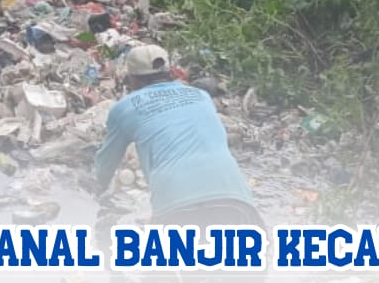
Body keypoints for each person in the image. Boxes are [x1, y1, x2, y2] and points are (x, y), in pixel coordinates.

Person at [94, 44, 263, 229]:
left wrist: (97, 189)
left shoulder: (124, 108)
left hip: (176, 206)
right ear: (170, 72)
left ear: (131, 78)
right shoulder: (201, 96)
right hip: (236, 199)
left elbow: (106, 163)